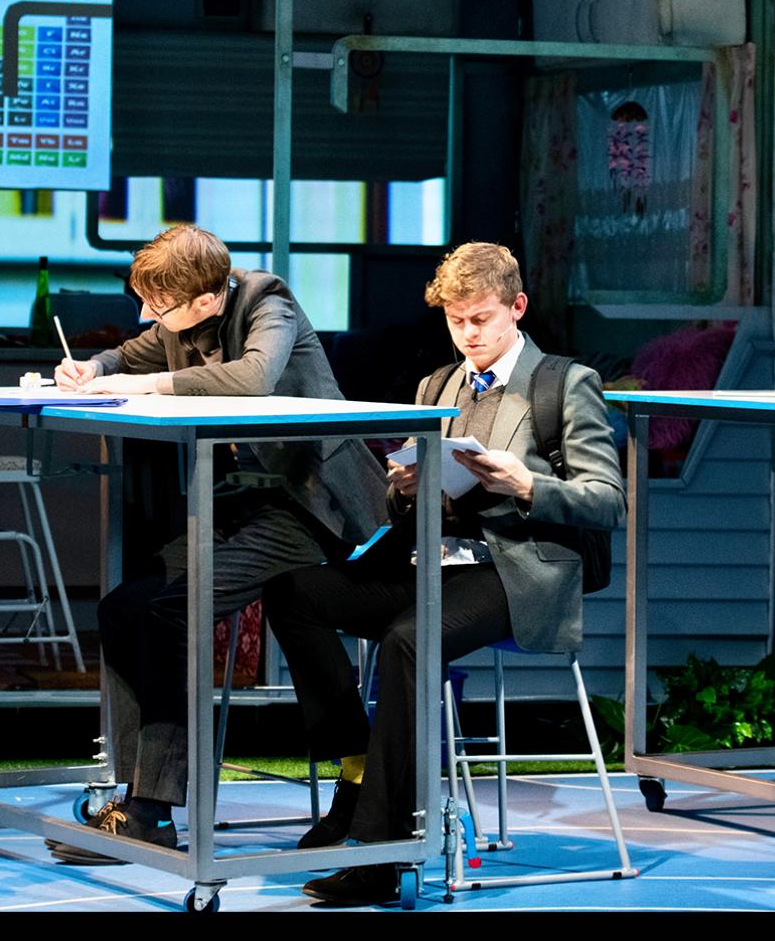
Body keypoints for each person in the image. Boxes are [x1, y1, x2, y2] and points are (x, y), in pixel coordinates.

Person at [262, 242, 624, 906]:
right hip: (437, 558)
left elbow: (607, 500)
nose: (468, 334)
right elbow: (419, 501)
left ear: (517, 308)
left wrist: (528, 483)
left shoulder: (563, 384)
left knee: (408, 638)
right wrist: (405, 487)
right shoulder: (439, 385)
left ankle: (381, 856)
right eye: (456, 321)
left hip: (519, 569)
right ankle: (358, 770)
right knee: (295, 593)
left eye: (480, 319)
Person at [46, 225, 387, 863]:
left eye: (159, 305)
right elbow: (136, 350)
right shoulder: (176, 318)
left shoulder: (268, 302)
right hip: (246, 503)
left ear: (205, 302)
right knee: (125, 606)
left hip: (312, 505)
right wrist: (93, 368)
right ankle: (133, 794)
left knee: (167, 607)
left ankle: (152, 812)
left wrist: (143, 387)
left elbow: (255, 378)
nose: (149, 316)